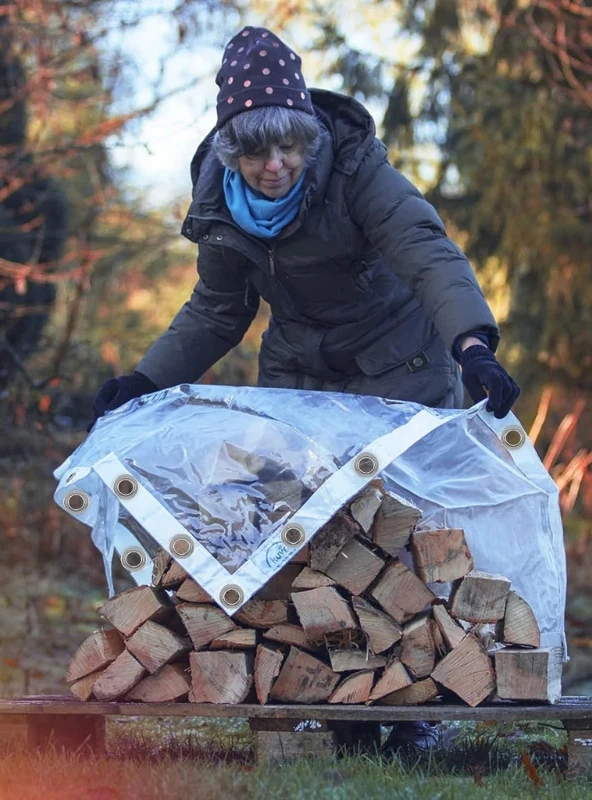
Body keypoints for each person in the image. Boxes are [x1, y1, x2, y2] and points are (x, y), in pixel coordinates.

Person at [92, 26, 519, 754]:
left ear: (309, 135)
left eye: (289, 145)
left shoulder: (355, 167)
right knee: (294, 530)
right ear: (233, 151)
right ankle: (317, 696)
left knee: (398, 539)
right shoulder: (222, 210)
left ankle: (410, 706)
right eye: (256, 150)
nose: (275, 165)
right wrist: (144, 380)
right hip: (298, 372)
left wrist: (472, 345)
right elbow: (217, 310)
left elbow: (425, 252)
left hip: (399, 362)